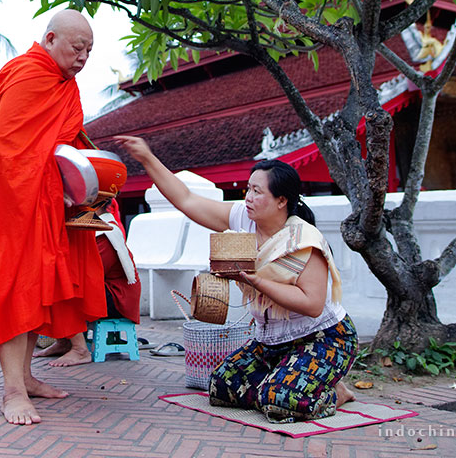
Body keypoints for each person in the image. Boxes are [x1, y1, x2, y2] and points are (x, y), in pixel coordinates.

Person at [114, 135, 357, 424]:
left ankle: (331, 392)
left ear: (281, 201)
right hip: (271, 341)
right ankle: (285, 380)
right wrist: (147, 158)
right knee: (221, 386)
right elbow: (187, 199)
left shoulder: (305, 240)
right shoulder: (245, 218)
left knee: (281, 403)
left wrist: (254, 280)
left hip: (321, 338)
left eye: (257, 192)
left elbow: (313, 304)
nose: (248, 197)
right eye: (248, 189)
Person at [0, 9, 106, 425]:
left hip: (43, 201)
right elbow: (9, 149)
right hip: (9, 202)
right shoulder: (26, 73)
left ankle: (26, 377)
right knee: (12, 286)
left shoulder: (64, 85)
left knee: (36, 287)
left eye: (90, 50)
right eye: (77, 47)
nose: (83, 57)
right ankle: (11, 390)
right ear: (49, 39)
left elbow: (62, 142)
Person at [33, 201, 141, 367]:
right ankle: (64, 342)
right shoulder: (96, 226)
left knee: (63, 289)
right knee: (55, 283)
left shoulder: (105, 232)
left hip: (117, 297)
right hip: (104, 288)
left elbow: (92, 272)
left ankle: (80, 349)